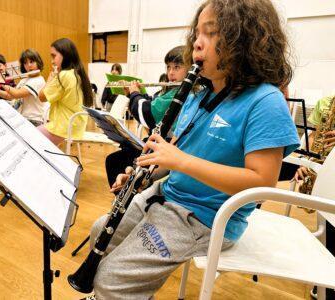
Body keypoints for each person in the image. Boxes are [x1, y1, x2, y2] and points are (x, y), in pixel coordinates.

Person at [84, 1, 300, 299]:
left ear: (244, 40)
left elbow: (262, 181)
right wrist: (144, 172)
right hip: (166, 196)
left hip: (205, 217)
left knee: (111, 279)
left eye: (210, 34)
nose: (196, 43)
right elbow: (174, 156)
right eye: (196, 33)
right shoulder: (200, 95)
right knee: (100, 232)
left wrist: (181, 161)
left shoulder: (265, 101)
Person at [104, 46, 188, 187]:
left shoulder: (180, 92)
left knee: (115, 160)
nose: (171, 73)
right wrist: (134, 94)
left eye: (177, 67)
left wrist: (134, 94)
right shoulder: (174, 90)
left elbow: (147, 113)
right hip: (161, 142)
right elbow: (154, 103)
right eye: (168, 67)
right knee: (121, 154)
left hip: (167, 145)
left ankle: (129, 193)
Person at [292, 94, 335, 300]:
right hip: (327, 172)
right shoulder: (327, 102)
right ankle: (326, 283)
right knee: (328, 228)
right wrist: (306, 162)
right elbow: (314, 137)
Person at [38, 38, 93, 146]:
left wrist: (49, 80)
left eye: (54, 56)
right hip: (76, 125)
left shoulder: (64, 75)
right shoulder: (76, 73)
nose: (52, 61)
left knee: (29, 139)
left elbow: (41, 97)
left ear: (65, 55)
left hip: (64, 126)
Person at [0, 49, 46, 127]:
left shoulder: (38, 80)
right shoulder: (24, 79)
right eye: (25, 63)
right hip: (22, 118)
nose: (29, 65)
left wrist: (2, 83)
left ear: (38, 62)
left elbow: (17, 94)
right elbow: (10, 96)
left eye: (32, 62)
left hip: (33, 121)